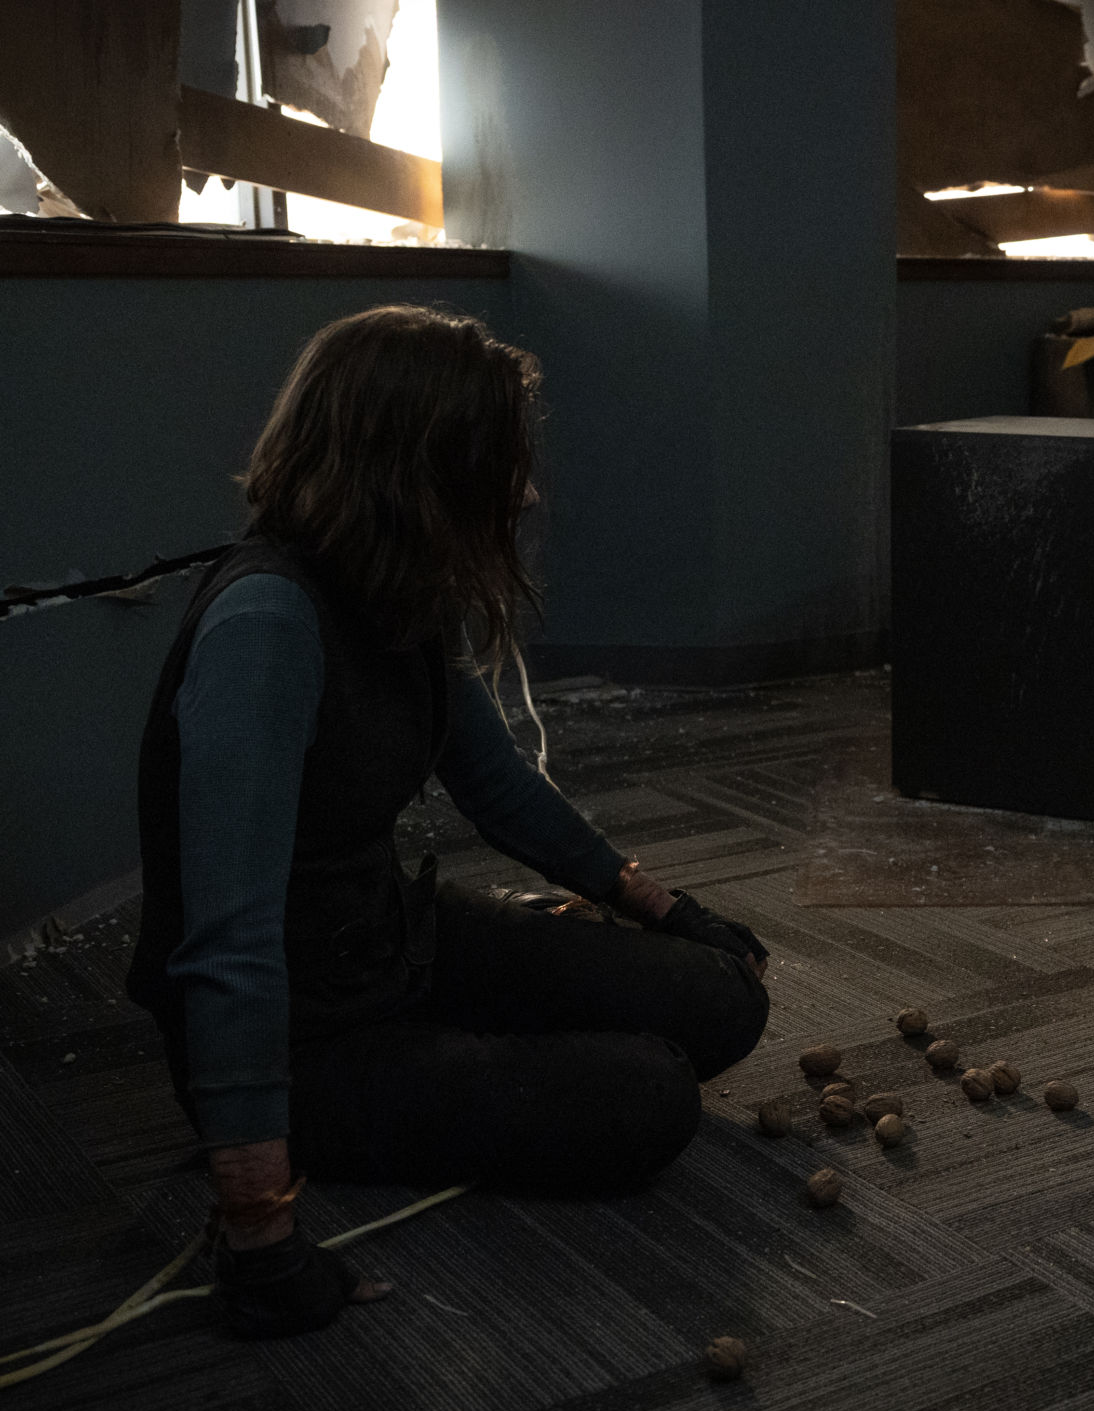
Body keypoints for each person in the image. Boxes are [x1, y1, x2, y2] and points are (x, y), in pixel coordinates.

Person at [128, 306, 771, 1339]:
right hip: (304, 1039)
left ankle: (461, 1056)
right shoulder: (267, 626)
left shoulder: (396, 592)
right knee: (648, 1099)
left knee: (722, 996)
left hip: (391, 945)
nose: (525, 493)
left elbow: (500, 787)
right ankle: (409, 1088)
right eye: (501, 465)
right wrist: (257, 1222)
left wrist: (663, 907)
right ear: (415, 472)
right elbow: (227, 947)